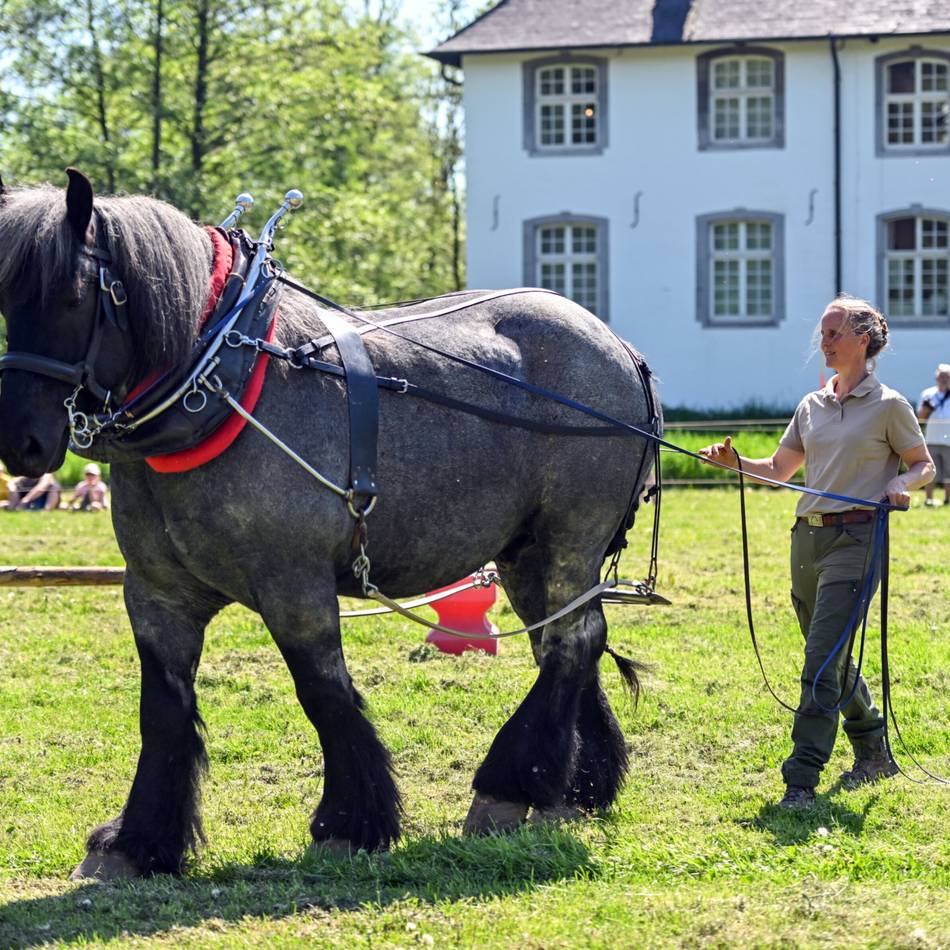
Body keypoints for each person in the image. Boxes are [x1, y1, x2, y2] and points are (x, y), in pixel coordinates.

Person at [699, 294, 934, 809]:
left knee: (821, 660)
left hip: (857, 540)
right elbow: (779, 470)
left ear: (863, 340)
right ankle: (873, 748)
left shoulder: (889, 405)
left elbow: (924, 465)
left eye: (834, 333)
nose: (823, 342)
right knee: (831, 652)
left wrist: (901, 482)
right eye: (822, 334)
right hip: (806, 539)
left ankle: (800, 780)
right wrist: (735, 461)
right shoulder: (811, 405)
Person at [916, 363, 950, 506]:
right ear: (936, 377)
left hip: (949, 441)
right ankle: (929, 500)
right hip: (931, 439)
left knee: (949, 474)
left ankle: (948, 500)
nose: (944, 379)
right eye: (941, 376)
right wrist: (927, 408)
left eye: (947, 376)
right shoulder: (927, 394)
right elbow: (920, 418)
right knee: (930, 471)